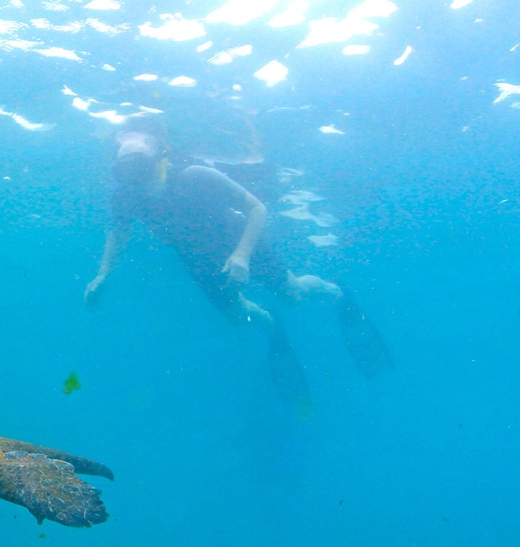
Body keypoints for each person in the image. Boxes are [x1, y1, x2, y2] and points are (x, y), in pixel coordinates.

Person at [85, 119, 392, 407]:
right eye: (123, 169)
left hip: (240, 240)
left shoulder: (193, 175)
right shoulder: (125, 197)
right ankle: (272, 325)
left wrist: (241, 256)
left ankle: (339, 295)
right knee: (237, 317)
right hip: (197, 258)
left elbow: (257, 208)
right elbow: (119, 232)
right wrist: (102, 274)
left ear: (158, 158)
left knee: (292, 294)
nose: (131, 176)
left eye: (137, 165)